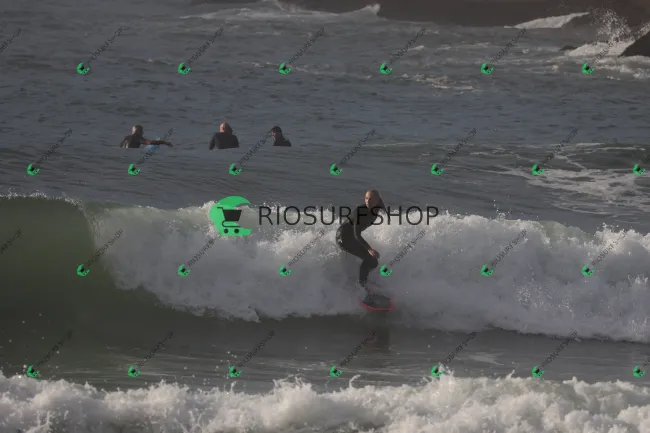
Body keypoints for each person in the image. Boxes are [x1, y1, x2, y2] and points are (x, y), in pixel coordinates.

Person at [336, 190, 386, 295]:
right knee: (370, 258)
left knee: (373, 262)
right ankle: (362, 286)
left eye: (371, 199)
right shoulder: (360, 211)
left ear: (377, 200)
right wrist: (369, 249)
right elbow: (357, 234)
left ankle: (364, 280)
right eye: (366, 198)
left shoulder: (377, 208)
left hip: (351, 237)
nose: (368, 201)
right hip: (343, 237)